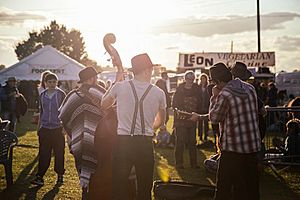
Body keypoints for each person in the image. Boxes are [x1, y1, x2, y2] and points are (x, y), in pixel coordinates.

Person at [101, 53, 166, 200]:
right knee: (144, 187)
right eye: (151, 69)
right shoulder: (159, 93)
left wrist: (115, 83)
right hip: (144, 143)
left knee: (118, 186)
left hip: (123, 142)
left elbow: (103, 105)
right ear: (146, 70)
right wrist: (151, 129)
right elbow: (161, 120)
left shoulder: (119, 87)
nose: (152, 72)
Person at [208, 62, 261, 200]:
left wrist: (214, 97)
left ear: (218, 81)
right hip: (252, 147)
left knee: (223, 188)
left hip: (233, 148)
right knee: (250, 188)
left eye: (214, 83)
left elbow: (214, 118)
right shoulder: (250, 88)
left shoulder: (225, 94)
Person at [58, 67, 106, 199]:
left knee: (83, 168)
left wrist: (74, 131)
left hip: (78, 139)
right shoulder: (99, 92)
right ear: (91, 78)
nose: (96, 79)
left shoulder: (73, 95)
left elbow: (63, 115)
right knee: (97, 173)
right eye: (94, 77)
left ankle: (86, 194)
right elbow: (112, 107)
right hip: (100, 138)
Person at [31, 73, 66, 186]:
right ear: (45, 83)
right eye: (49, 82)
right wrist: (39, 127)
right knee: (44, 153)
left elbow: (64, 112)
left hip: (57, 129)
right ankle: (40, 176)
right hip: (45, 128)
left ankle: (60, 175)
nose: (52, 84)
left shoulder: (61, 94)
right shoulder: (42, 95)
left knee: (59, 153)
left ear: (57, 82)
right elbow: (42, 112)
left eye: (54, 82)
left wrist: (64, 127)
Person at [172, 71, 201, 169]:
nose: (190, 80)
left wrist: (197, 113)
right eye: (188, 78)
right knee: (180, 141)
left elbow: (200, 102)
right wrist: (183, 112)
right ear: (185, 79)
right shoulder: (180, 89)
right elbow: (174, 105)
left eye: (192, 79)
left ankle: (194, 163)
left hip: (192, 119)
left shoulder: (197, 89)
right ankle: (179, 163)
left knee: (192, 142)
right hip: (181, 119)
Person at [198, 73, 210, 141]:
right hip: (199, 108)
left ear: (206, 79)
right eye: (201, 79)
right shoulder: (198, 87)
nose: (203, 80)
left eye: (204, 79)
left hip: (206, 107)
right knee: (200, 123)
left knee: (206, 123)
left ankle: (206, 135)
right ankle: (200, 136)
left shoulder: (208, 87)